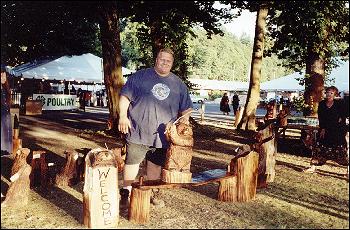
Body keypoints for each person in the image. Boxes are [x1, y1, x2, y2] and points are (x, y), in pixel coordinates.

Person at [118, 48, 193, 207]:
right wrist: (123, 117)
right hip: (138, 131)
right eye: (162, 59)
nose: (165, 62)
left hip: (162, 136)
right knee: (132, 163)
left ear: (172, 63)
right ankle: (126, 192)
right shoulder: (140, 77)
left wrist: (182, 122)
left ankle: (152, 192)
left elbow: (187, 109)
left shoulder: (178, 84)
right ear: (156, 59)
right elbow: (124, 97)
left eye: (168, 60)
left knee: (155, 165)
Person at [304, 86, 348, 177]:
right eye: (327, 92)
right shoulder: (322, 104)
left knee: (342, 150)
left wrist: (341, 119)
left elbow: (345, 114)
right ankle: (313, 167)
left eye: (331, 93)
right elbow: (321, 118)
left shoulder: (340, 104)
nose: (329, 94)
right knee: (318, 148)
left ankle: (348, 171)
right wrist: (323, 128)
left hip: (337, 131)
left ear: (335, 95)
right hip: (325, 130)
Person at [1, 64, 13, 157]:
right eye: (2, 75)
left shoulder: (5, 88)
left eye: (5, 75)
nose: (4, 77)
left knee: (6, 130)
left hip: (5, 112)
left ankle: (6, 149)